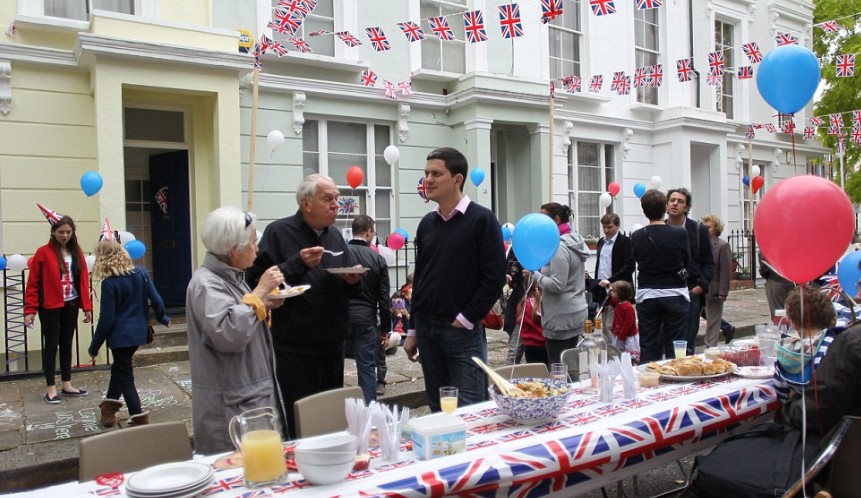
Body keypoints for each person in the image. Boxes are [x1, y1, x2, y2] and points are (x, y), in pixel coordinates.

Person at [246, 174, 362, 438]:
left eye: (337, 198)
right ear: (306, 203)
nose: (336, 204)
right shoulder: (279, 232)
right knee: (302, 419)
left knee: (331, 419)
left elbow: (341, 283)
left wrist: (352, 280)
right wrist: (296, 264)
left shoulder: (334, 235)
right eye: (328, 199)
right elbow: (257, 282)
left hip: (333, 343)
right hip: (295, 347)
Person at [404, 147, 506, 412]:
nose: (428, 180)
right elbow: (422, 278)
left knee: (470, 409)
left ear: (457, 179)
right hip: (427, 330)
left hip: (462, 333)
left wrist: (466, 318)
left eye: (436, 174)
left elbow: (494, 277)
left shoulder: (482, 220)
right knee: (438, 410)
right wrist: (413, 329)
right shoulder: (427, 224)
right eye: (427, 173)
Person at [186, 207, 286, 454]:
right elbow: (230, 333)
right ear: (234, 250)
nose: (257, 249)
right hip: (233, 408)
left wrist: (263, 302)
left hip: (249, 398)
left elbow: (241, 312)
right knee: (242, 478)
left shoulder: (232, 277)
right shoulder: (206, 284)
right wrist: (260, 293)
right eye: (252, 243)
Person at [88, 237, 170, 427]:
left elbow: (106, 320)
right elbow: (156, 300)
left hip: (120, 337)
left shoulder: (109, 283)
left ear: (103, 259)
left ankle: (138, 415)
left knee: (125, 375)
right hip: (139, 334)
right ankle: (108, 409)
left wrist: (94, 347)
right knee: (120, 368)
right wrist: (162, 318)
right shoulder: (141, 273)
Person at [24, 206, 93, 404]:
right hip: (50, 306)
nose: (65, 235)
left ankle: (67, 384)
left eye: (68, 232)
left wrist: (86, 307)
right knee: (51, 345)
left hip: (70, 303)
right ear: (53, 232)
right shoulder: (43, 253)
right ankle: (51, 389)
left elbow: (82, 281)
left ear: (73, 233)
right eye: (61, 232)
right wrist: (30, 310)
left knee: (67, 343)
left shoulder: (76, 252)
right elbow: (33, 282)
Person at [773, 285, 861, 435]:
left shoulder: (786, 352)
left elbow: (817, 410)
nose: (857, 295)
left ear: (793, 323)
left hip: (815, 426)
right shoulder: (837, 342)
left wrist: (785, 410)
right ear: (832, 318)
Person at [632, 190, 690, 363]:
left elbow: (636, 260)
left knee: (649, 345)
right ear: (665, 208)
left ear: (644, 211)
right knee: (677, 346)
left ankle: (649, 379)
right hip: (675, 293)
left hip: (648, 294)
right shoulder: (679, 233)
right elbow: (687, 259)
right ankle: (678, 379)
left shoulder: (636, 236)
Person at [530, 202, 590, 365]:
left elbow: (557, 285)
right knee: (571, 367)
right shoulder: (573, 241)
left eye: (544, 219)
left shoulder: (559, 247)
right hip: (574, 313)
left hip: (561, 319)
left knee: (559, 370)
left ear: (556, 220)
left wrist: (535, 275)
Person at [345, 214, 391, 403]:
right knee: (366, 368)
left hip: (342, 318)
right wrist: (385, 328)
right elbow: (384, 299)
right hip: (366, 319)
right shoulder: (377, 259)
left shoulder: (342, 254)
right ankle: (369, 413)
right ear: (368, 232)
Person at [666, 187, 714, 355]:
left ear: (686, 207)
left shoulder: (698, 230)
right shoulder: (661, 229)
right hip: (667, 291)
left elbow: (709, 263)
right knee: (668, 342)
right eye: (672, 200)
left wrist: (699, 288)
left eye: (680, 201)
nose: (675, 204)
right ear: (666, 205)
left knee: (686, 344)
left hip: (691, 291)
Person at [591, 213, 635, 344]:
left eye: (609, 227)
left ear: (617, 226)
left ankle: (617, 352)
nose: (606, 230)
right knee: (603, 326)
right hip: (602, 288)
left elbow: (629, 266)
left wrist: (611, 280)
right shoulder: (601, 242)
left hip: (618, 288)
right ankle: (609, 353)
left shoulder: (626, 242)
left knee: (612, 326)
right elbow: (600, 264)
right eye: (604, 227)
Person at [701, 214, 734, 347]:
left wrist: (723, 291)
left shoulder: (722, 245)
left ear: (716, 229)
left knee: (713, 321)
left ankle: (711, 347)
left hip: (714, 289)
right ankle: (727, 328)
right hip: (700, 288)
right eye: (703, 227)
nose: (705, 229)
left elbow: (726, 270)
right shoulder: (699, 244)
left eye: (708, 227)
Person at [517, 275, 547, 366]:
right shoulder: (542, 304)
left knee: (534, 373)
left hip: (529, 345)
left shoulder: (522, 304)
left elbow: (518, 322)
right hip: (544, 345)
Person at [504, 248, 525, 365]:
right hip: (519, 302)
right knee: (515, 348)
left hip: (539, 304)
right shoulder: (517, 247)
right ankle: (507, 378)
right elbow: (510, 273)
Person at [608, 280, 639, 362]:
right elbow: (611, 302)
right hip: (619, 333)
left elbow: (629, 324)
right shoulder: (618, 303)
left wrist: (622, 336)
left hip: (626, 335)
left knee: (627, 354)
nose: (611, 293)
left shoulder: (628, 307)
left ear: (620, 294)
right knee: (619, 352)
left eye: (614, 292)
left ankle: (632, 363)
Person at [759, 252, 794, 318]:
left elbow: (763, 254)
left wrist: (766, 273)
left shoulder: (771, 242)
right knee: (798, 315)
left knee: (779, 315)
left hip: (776, 278)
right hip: (795, 278)